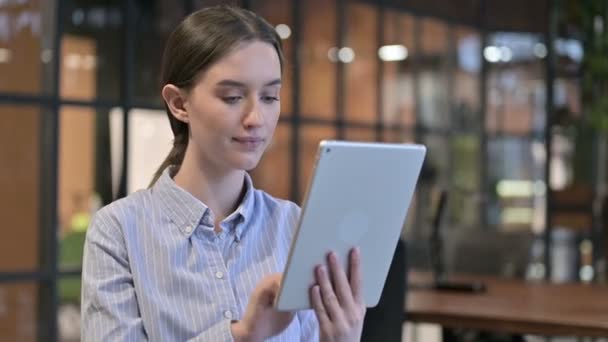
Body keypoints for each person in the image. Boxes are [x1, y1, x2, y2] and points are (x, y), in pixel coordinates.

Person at [81, 5, 366, 342]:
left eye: (270, 96)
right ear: (179, 104)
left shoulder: (293, 226)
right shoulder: (118, 232)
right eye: (233, 97)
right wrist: (241, 335)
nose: (256, 118)